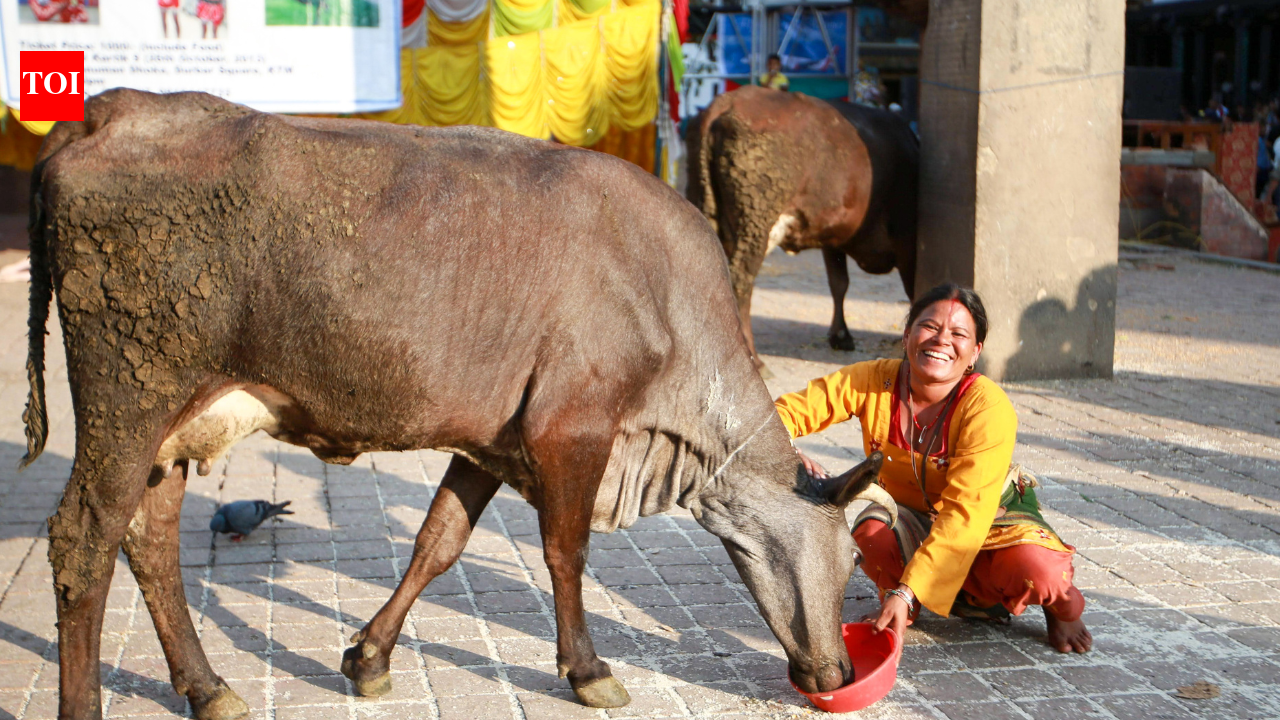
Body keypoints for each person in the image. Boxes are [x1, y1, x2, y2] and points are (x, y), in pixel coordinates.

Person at [774, 283, 1092, 654]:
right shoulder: (873, 380)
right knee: (871, 533)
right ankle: (909, 605)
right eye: (929, 327)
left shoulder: (988, 406)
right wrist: (790, 453)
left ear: (975, 352)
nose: (941, 340)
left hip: (986, 519)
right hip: (913, 515)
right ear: (908, 334)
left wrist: (908, 590)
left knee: (1040, 572)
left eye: (959, 334)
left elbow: (964, 515)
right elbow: (780, 414)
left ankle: (1063, 609)